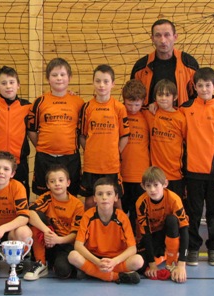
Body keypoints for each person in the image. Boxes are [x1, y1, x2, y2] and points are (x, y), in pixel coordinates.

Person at [179, 67, 214, 266]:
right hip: (191, 174)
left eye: (207, 85)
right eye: (200, 85)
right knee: (192, 213)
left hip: (213, 175)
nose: (203, 89)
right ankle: (193, 248)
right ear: (194, 86)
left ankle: (213, 249)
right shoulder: (185, 108)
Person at [68, 177, 143, 284]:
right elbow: (78, 245)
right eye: (100, 194)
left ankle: (93, 273)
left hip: (116, 260)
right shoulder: (88, 216)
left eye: (109, 194)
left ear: (116, 197)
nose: (104, 197)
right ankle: (115, 276)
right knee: (73, 256)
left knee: (138, 261)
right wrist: (98, 262)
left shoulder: (122, 218)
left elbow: (132, 248)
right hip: (95, 259)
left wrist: (114, 261)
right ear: (94, 198)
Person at [27, 57, 85, 197]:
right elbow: (32, 130)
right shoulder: (39, 102)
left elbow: (82, 131)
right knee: (43, 196)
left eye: (62, 74)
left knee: (70, 195)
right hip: (45, 157)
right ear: (48, 78)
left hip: (70, 157)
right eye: (54, 75)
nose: (59, 78)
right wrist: (43, 146)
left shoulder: (78, 102)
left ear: (69, 77)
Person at [79, 64, 130, 209]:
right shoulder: (87, 107)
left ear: (113, 84)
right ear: (93, 82)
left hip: (111, 165)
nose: (102, 85)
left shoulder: (119, 108)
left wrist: (115, 151)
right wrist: (90, 150)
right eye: (98, 81)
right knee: (89, 202)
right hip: (91, 165)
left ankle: (121, 230)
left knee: (116, 202)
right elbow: (82, 136)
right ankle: (89, 230)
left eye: (106, 81)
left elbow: (125, 135)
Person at [24, 164, 84, 281]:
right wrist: (47, 232)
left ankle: (59, 264)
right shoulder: (47, 198)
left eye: (61, 180)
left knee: (63, 272)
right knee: (36, 215)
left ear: (68, 183)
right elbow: (29, 213)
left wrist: (58, 240)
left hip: (65, 243)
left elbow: (76, 234)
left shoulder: (77, 205)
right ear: (48, 185)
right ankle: (40, 262)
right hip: (47, 240)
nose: (57, 184)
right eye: (52, 181)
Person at [0, 66, 32, 200]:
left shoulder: (27, 107)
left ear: (18, 85)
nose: (8, 86)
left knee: (20, 200)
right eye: (3, 83)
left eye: (12, 82)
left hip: (18, 163)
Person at [136, 166, 189, 283]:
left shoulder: (174, 199)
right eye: (148, 186)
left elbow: (184, 230)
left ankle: (171, 261)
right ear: (143, 186)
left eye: (156, 185)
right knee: (139, 266)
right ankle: (160, 256)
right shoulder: (141, 203)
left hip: (169, 233)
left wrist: (181, 264)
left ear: (165, 184)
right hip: (154, 236)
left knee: (172, 220)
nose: (152, 190)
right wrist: (152, 265)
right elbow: (146, 235)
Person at [130, 19, 199, 109]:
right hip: (150, 119)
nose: (163, 40)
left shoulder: (189, 64)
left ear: (175, 37)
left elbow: (198, 99)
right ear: (152, 38)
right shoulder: (141, 67)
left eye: (167, 35)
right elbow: (132, 98)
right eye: (158, 35)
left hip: (181, 119)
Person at [148, 79, 187, 199]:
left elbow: (187, 144)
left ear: (175, 97)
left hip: (175, 175)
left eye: (167, 95)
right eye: (160, 94)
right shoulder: (151, 114)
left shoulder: (180, 118)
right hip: (155, 176)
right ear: (155, 97)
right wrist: (152, 105)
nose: (163, 98)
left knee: (175, 213)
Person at [120, 79, 150, 234]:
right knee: (121, 213)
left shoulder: (147, 116)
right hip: (121, 173)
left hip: (140, 175)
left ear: (143, 101)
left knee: (138, 213)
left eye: (137, 104)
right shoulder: (119, 112)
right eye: (129, 104)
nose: (132, 108)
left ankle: (139, 244)